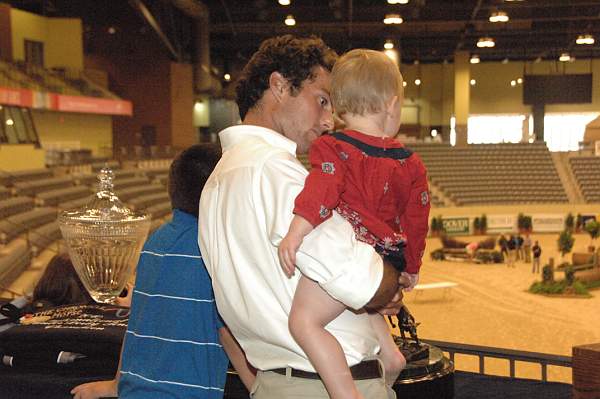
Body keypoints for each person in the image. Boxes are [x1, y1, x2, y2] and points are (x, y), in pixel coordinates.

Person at [199, 35, 408, 399]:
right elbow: (364, 281)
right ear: (279, 86)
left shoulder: (218, 179)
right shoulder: (275, 171)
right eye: (322, 101)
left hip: (278, 382)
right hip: (324, 386)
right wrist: (391, 280)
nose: (329, 121)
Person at [277, 49, 430, 395]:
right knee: (360, 293)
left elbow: (321, 191)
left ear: (340, 104)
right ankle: (390, 353)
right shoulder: (411, 162)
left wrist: (296, 232)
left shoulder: (333, 148)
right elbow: (417, 217)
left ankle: (345, 393)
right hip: (386, 257)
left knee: (303, 322)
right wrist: (412, 265)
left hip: (354, 251)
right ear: (391, 106)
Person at [71, 144, 255, 399]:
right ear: (219, 192)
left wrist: (117, 383)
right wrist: (259, 388)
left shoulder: (156, 243)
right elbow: (226, 332)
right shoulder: (212, 249)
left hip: (136, 390)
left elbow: (138, 321)